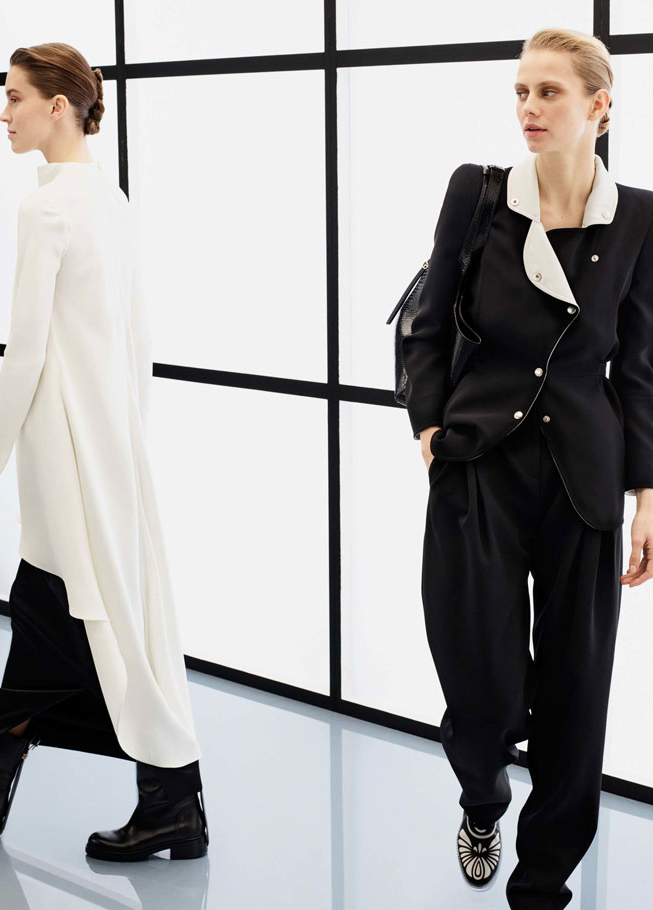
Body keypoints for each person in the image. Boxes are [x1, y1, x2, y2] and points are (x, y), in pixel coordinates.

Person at [401, 27, 653, 909]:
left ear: (597, 106)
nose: (528, 108)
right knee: (479, 680)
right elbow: (429, 320)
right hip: (477, 463)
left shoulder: (639, 217)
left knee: (577, 692)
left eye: (548, 92)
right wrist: (428, 427)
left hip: (584, 476)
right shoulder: (477, 193)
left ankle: (542, 883)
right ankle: (482, 796)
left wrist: (647, 493)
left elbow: (640, 365)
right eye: (520, 91)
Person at [0, 42, 209, 862]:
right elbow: (138, 341)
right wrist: (124, 434)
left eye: (14, 98)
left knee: (57, 614)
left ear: (58, 106)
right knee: (66, 615)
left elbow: (25, 354)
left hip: (63, 453)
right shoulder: (109, 199)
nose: (2, 113)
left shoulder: (46, 210)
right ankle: (160, 803)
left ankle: (161, 801)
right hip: (107, 445)